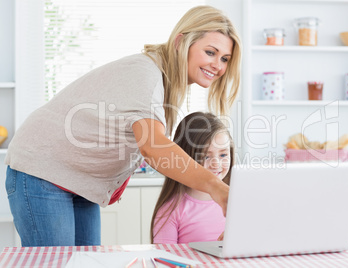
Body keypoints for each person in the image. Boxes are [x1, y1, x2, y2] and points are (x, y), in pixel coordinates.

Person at [4, 5, 241, 247]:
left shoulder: (165, 83)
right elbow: (153, 147)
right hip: (42, 168)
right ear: (181, 42)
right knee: (58, 264)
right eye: (210, 52)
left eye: (224, 59)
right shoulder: (146, 75)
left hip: (81, 180)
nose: (218, 66)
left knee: (86, 262)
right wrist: (215, 187)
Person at [151, 112, 234, 244]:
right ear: (185, 160)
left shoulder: (237, 203)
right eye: (206, 156)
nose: (216, 164)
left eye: (223, 155)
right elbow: (164, 260)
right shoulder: (170, 211)